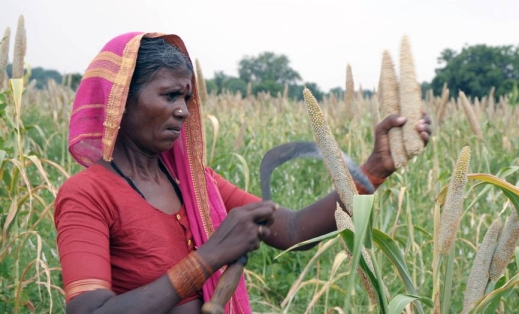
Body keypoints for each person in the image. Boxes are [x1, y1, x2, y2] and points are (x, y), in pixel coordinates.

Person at [54, 32, 432, 314]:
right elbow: (90, 311)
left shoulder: (195, 183)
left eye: (187, 98)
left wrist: (375, 170)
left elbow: (293, 229)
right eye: (169, 96)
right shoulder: (87, 194)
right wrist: (210, 257)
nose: (184, 111)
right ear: (119, 102)